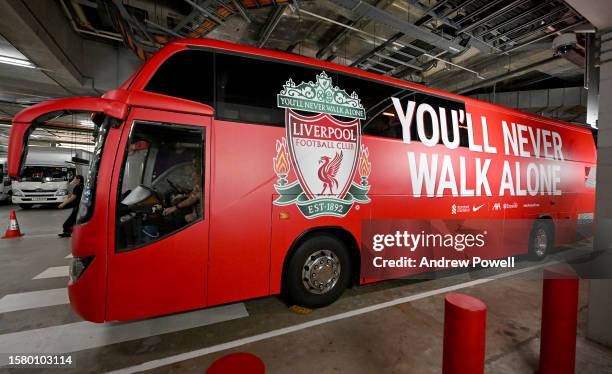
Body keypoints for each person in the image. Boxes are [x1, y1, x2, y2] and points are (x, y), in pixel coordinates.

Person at [162, 158, 201, 224]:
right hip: (196, 209)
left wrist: (175, 207)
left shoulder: (203, 176)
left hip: (200, 214)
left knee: (178, 218)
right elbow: (194, 194)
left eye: (195, 165)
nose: (193, 167)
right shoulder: (198, 178)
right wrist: (183, 195)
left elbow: (194, 197)